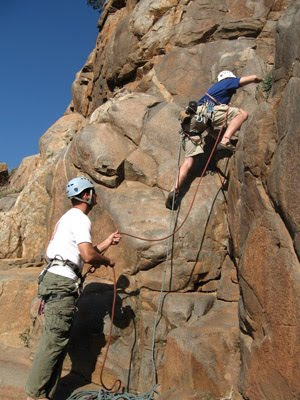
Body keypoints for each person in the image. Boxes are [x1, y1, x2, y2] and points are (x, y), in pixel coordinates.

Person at [25, 176, 121, 400]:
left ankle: (44, 394)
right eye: (93, 192)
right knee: (54, 341)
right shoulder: (80, 219)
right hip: (62, 282)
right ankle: (34, 395)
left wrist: (106, 243)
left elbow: (81, 252)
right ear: (86, 195)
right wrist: (107, 261)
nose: (95, 196)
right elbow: (88, 256)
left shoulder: (68, 218)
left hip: (54, 279)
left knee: (56, 340)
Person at [165, 70, 262, 210]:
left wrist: (218, 138)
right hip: (204, 113)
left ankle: (174, 190)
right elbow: (250, 78)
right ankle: (226, 139)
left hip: (191, 125)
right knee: (243, 113)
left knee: (188, 162)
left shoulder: (209, 95)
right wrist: (259, 79)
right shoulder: (226, 82)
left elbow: (209, 127)